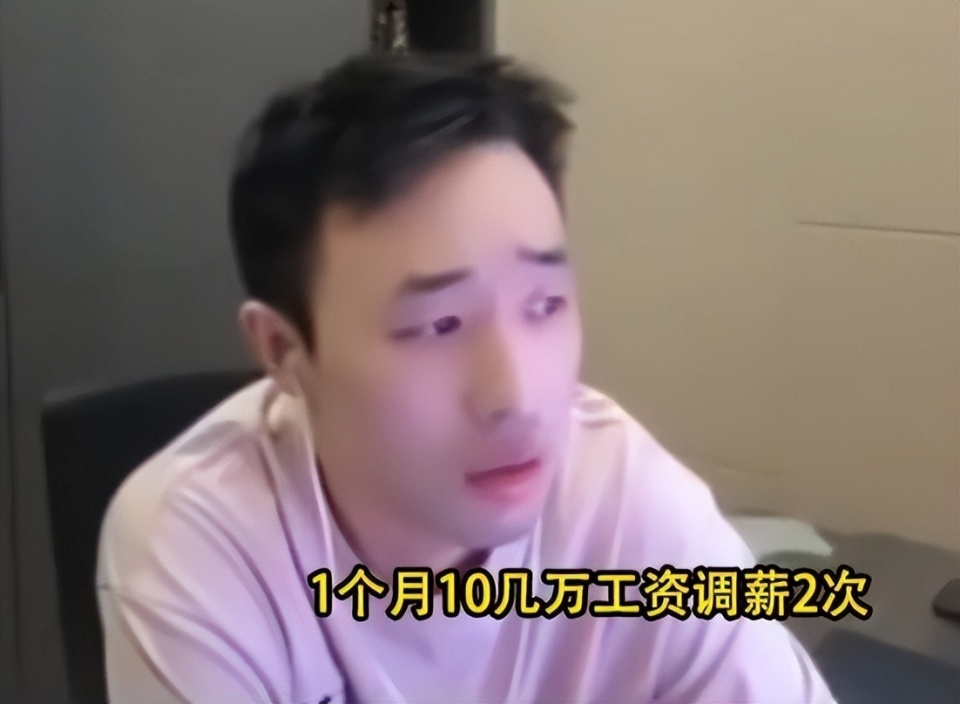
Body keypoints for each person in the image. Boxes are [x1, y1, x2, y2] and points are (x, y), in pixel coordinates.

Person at [96, 53, 836, 703]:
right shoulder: (201, 548)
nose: (518, 396)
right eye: (439, 325)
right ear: (285, 351)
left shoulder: (629, 509)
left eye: (545, 305)